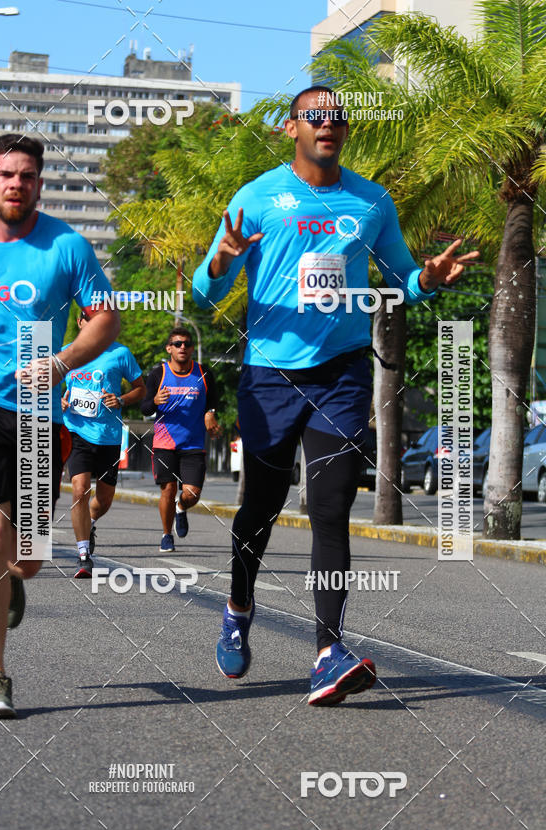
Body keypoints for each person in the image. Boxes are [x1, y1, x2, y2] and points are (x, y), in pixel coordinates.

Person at [192, 86, 479, 706]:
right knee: (261, 507)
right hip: (269, 375)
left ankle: (328, 652)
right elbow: (204, 296)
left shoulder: (372, 201)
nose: (328, 124)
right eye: (314, 116)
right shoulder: (257, 198)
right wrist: (222, 261)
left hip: (343, 374)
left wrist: (427, 280)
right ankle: (238, 610)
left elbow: (403, 278)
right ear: (291, 128)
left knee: (330, 505)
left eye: (337, 117)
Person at [0, 134, 119, 718]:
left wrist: (60, 362)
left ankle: (11, 578)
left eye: (27, 175)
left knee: (29, 557)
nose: (16, 183)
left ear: (39, 184)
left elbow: (105, 321)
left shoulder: (66, 248)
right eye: (6, 173)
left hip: (41, 408)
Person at [61, 311, 145, 578]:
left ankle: (91, 523)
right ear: (80, 322)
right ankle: (84, 554)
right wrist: (58, 401)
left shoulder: (120, 353)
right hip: (76, 431)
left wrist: (121, 400)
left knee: (104, 499)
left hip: (108, 435)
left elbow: (141, 389)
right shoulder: (65, 352)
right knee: (80, 489)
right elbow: (49, 385)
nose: (93, 322)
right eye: (88, 317)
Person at [141, 327, 222, 552]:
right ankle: (166, 535)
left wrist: (210, 414)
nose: (182, 347)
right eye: (177, 344)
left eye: (186, 343)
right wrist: (155, 400)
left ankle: (181, 507)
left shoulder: (203, 373)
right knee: (167, 488)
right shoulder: (158, 374)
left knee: (192, 494)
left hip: (193, 443)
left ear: (192, 348)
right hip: (164, 443)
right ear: (169, 348)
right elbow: (145, 407)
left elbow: (213, 402)